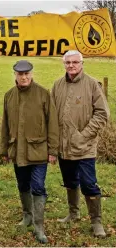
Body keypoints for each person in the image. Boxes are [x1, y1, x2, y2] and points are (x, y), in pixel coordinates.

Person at [51, 50, 110, 238]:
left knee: (89, 184)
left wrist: (83, 136)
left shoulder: (92, 85)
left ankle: (96, 222)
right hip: (64, 146)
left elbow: (102, 114)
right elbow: (51, 115)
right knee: (70, 181)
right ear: (64, 64)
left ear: (82, 63)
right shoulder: (57, 85)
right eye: (68, 62)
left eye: (75, 62)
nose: (71, 66)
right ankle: (74, 213)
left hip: (85, 147)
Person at [0, 60, 59, 244]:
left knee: (38, 186)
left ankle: (39, 226)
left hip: (38, 151)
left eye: (27, 74)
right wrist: (4, 150)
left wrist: (53, 150)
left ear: (31, 74)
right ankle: (27, 216)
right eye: (20, 74)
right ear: (15, 75)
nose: (24, 77)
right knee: (22, 185)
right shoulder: (9, 95)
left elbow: (53, 123)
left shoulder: (43, 94)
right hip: (17, 151)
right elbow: (5, 125)